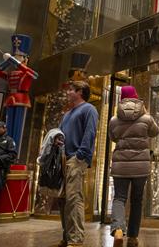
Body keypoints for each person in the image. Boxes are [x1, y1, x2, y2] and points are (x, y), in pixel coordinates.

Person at [109, 86, 159, 247]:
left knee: (119, 198)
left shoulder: (114, 120)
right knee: (137, 200)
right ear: (136, 97)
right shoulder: (146, 117)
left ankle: (118, 229)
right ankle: (132, 237)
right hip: (141, 167)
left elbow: (113, 137)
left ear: (122, 99)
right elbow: (155, 132)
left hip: (121, 166)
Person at [56, 81, 98, 247]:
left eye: (71, 90)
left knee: (74, 198)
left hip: (76, 158)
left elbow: (90, 132)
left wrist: (81, 155)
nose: (68, 93)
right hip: (63, 159)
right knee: (63, 200)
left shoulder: (89, 109)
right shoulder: (67, 114)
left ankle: (76, 239)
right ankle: (67, 236)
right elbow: (60, 134)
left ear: (80, 92)